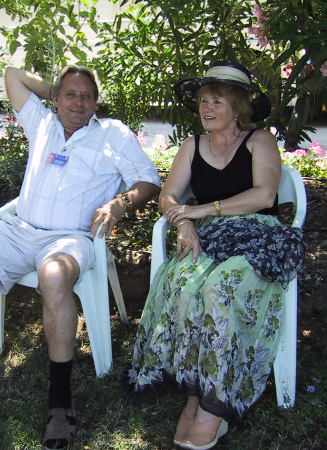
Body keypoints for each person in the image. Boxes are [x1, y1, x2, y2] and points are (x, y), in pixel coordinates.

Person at [0, 65, 161, 450]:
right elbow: (13, 74)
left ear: (96, 102)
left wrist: (120, 203)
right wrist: (55, 92)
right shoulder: (42, 123)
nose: (79, 103)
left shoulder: (113, 134)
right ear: (55, 98)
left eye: (87, 96)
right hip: (17, 231)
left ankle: (60, 402)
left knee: (54, 276)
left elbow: (149, 179)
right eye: (70, 94)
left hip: (71, 237)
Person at [120, 61, 306, 450]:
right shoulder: (192, 145)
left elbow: (264, 196)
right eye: (204, 101)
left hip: (257, 237)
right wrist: (183, 223)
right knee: (183, 287)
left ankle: (213, 405)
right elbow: (169, 197)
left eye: (216, 101)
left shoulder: (259, 141)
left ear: (238, 107)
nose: (206, 107)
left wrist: (200, 210)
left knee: (219, 290)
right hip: (206, 236)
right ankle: (195, 392)